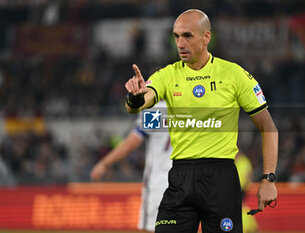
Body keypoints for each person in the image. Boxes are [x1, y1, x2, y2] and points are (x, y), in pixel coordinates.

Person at [124, 9, 278, 233]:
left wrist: (268, 179)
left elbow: (268, 127)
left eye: (187, 36)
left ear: (206, 37)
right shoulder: (167, 75)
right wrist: (134, 96)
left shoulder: (234, 75)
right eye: (176, 36)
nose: (180, 43)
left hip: (221, 178)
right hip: (180, 177)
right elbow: (138, 103)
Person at [90, 101, 172, 232]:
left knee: (151, 229)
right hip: (183, 182)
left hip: (158, 183)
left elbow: (131, 143)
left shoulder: (156, 110)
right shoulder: (188, 106)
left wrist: (104, 163)